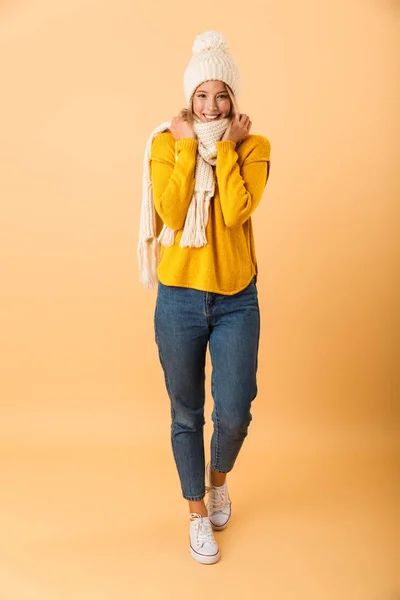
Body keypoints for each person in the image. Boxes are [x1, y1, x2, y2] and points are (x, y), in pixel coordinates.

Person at [137, 30, 271, 564]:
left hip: (237, 297)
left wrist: (230, 150)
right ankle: (197, 515)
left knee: (235, 411)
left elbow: (236, 212)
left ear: (233, 100)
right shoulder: (166, 144)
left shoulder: (255, 147)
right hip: (179, 300)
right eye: (201, 95)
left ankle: (218, 483)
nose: (211, 105)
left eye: (220, 95)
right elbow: (171, 215)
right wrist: (191, 146)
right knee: (186, 412)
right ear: (188, 98)